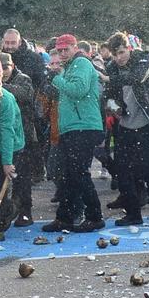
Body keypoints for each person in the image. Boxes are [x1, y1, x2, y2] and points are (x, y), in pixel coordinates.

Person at [102, 33, 149, 225]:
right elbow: (108, 99)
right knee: (123, 171)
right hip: (126, 124)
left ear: (128, 48)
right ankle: (133, 213)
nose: (118, 58)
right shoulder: (112, 67)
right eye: (114, 55)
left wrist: (108, 78)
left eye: (121, 52)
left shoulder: (143, 58)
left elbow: (136, 78)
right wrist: (116, 109)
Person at [42, 33, 105, 231]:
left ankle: (95, 216)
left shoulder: (81, 64)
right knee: (68, 175)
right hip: (73, 127)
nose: (61, 53)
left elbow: (78, 90)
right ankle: (65, 217)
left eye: (65, 49)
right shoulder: (70, 67)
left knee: (78, 173)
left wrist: (57, 78)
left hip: (83, 126)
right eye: (59, 50)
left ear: (74, 48)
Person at [0, 62, 25, 242]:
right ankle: (0, 211)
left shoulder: (5, 99)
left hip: (9, 146)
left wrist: (7, 162)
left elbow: (7, 131)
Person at [0, 48, 39, 227]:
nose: (3, 71)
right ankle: (5, 210)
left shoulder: (23, 79)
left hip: (25, 137)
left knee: (23, 179)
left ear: (12, 66)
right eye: (0, 68)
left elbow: (24, 94)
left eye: (6, 67)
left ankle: (25, 212)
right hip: (7, 138)